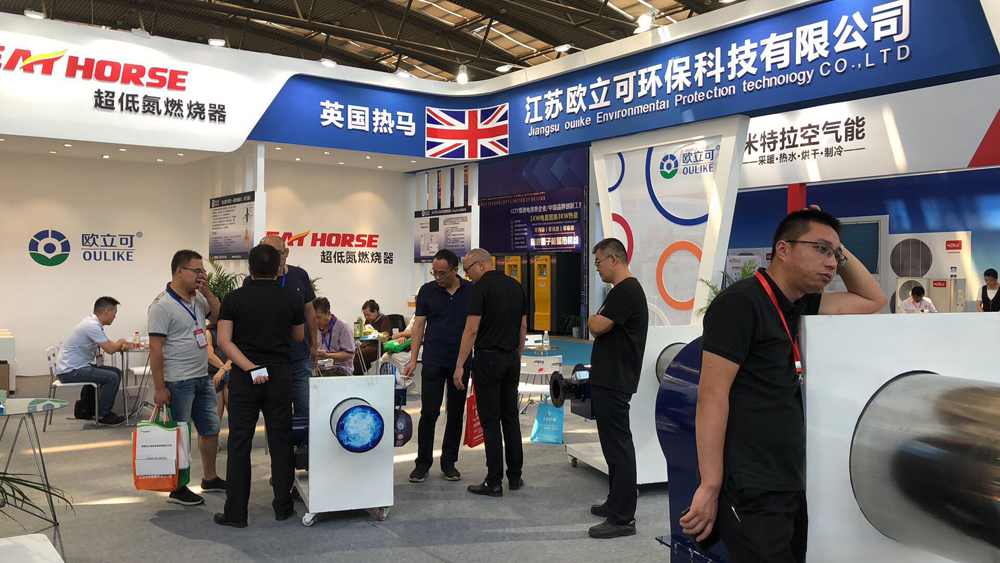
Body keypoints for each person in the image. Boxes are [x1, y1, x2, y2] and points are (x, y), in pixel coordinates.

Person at [681, 208, 887, 562]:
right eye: (821, 249)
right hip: (750, 485)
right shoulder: (741, 304)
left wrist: (839, 247)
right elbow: (711, 397)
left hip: (788, 480)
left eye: (835, 255)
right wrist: (710, 485)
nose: (832, 263)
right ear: (783, 249)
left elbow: (874, 300)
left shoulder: (797, 304)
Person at [214, 244, 305, 528]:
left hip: (245, 377)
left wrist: (250, 367)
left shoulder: (233, 298)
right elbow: (298, 336)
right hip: (280, 375)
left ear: (249, 268)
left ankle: (236, 513)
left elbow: (223, 341)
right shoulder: (291, 297)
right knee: (281, 441)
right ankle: (283, 507)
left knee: (239, 442)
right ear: (278, 268)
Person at [148, 250, 225, 506]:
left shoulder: (198, 298)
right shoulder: (162, 305)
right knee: (179, 434)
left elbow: (219, 317)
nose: (201, 275)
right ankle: (178, 487)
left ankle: (210, 478)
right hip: (178, 380)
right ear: (180, 271)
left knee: (211, 429)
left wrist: (209, 291)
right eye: (197, 271)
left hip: (202, 376)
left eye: (203, 271)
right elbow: (155, 349)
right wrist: (159, 387)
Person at [586, 238, 649, 539]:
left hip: (615, 379)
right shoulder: (619, 291)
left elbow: (596, 326)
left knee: (619, 447)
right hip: (609, 378)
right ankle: (615, 502)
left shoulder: (626, 291)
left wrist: (594, 319)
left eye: (598, 262)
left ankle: (623, 518)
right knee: (612, 446)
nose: (597, 268)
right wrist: (596, 319)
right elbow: (598, 324)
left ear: (614, 259)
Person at [454, 248, 527, 497]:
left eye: (468, 270)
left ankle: (494, 481)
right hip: (511, 359)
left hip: (488, 359)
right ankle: (515, 476)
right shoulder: (516, 286)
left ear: (481, 265)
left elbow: (472, 329)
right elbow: (523, 326)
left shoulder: (480, 288)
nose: (467, 276)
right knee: (511, 418)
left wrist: (460, 364)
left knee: (491, 421)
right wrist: (517, 355)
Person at [404, 249, 474, 484]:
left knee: (455, 412)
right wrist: (413, 359)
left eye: (442, 273)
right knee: (429, 412)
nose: (438, 277)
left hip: (460, 363)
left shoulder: (471, 291)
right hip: (433, 360)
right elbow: (418, 327)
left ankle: (449, 462)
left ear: (456, 270)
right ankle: (422, 463)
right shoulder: (427, 291)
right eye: (435, 272)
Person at [247, 235, 317, 415]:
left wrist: (314, 345)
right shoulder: (253, 280)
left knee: (307, 409)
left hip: (299, 356)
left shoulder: (300, 275)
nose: (272, 257)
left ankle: (304, 436)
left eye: (277, 252)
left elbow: (309, 312)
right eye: (267, 252)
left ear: (286, 252)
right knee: (275, 413)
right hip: (269, 359)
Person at [55, 297, 129, 426]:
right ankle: (102, 414)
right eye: (115, 313)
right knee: (112, 377)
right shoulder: (92, 326)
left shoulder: (92, 323)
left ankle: (97, 409)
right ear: (107, 311)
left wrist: (118, 344)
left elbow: (107, 343)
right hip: (70, 371)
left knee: (116, 372)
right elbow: (110, 349)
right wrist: (121, 342)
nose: (115, 317)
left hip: (77, 367)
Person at [314, 297, 355, 377]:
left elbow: (349, 354)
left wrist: (327, 356)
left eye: (319, 317)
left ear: (328, 313)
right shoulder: (315, 327)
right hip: (319, 368)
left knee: (322, 379)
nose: (316, 321)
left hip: (340, 368)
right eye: (314, 318)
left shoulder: (343, 326)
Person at [354, 299, 392, 374]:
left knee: (358, 356)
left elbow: (385, 339)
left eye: (368, 315)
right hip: (367, 344)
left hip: (379, 347)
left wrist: (374, 333)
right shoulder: (369, 320)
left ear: (375, 312)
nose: (366, 317)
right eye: (365, 315)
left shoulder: (384, 320)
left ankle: (358, 377)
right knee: (351, 354)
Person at [206, 321, 232, 420]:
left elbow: (237, 356)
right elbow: (209, 355)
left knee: (228, 382)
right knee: (213, 420)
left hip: (231, 373)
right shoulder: (209, 332)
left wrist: (223, 371)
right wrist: (223, 369)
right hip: (214, 374)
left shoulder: (237, 333)